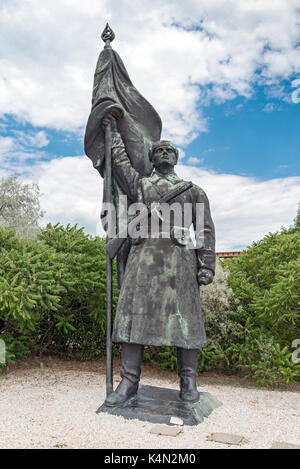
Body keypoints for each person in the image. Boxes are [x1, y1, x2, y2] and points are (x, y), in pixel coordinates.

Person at [102, 115, 216, 407]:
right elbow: (120, 163)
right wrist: (112, 132)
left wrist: (206, 265)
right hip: (143, 259)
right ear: (152, 158)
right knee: (132, 321)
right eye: (159, 150)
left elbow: (204, 230)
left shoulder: (193, 190)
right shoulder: (139, 186)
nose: (164, 152)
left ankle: (188, 383)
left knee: (185, 324)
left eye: (170, 150)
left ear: (176, 158)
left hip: (178, 261)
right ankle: (129, 382)